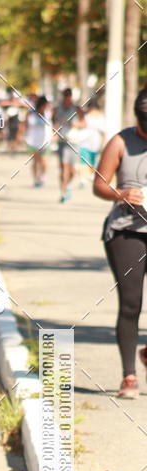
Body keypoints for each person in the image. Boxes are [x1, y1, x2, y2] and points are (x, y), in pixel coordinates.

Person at [94, 87, 147, 399]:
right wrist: (122, 194)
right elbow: (100, 184)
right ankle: (129, 375)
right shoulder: (121, 141)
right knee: (131, 303)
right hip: (127, 231)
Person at [53, 87, 79, 202]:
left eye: (68, 96)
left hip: (74, 142)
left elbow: (84, 123)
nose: (67, 99)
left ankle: (68, 186)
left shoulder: (77, 109)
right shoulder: (57, 109)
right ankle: (63, 192)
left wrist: (75, 125)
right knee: (63, 167)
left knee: (72, 170)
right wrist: (55, 130)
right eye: (65, 96)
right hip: (62, 141)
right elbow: (53, 122)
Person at [23, 95, 52, 187]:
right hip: (33, 141)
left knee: (44, 162)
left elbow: (54, 124)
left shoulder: (49, 114)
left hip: (46, 142)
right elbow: (24, 125)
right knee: (36, 161)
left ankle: (42, 176)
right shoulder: (31, 114)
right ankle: (35, 179)